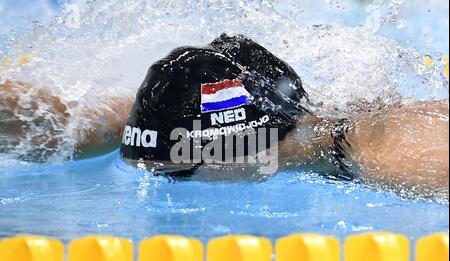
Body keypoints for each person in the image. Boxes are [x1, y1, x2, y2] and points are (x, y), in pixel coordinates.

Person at [0, 34, 448, 194]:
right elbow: (56, 121)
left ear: (227, 155)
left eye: (179, 174)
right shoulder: (163, 118)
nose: (162, 182)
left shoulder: (400, 155)